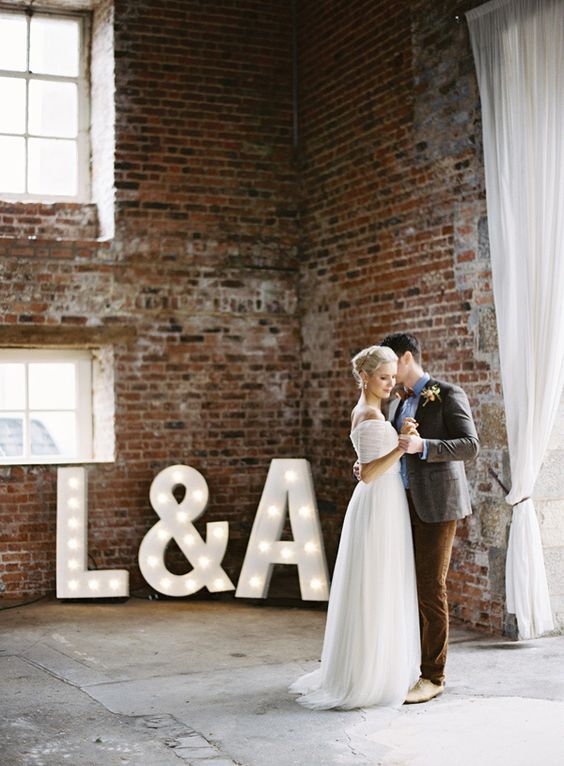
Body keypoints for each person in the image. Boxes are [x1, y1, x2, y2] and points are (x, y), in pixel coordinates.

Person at [289, 345, 421, 709]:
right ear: (364, 377)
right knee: (377, 585)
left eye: (394, 377)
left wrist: (393, 441)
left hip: (382, 502)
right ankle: (369, 676)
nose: (391, 384)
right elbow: (370, 474)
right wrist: (402, 446)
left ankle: (370, 668)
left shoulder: (368, 412)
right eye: (383, 378)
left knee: (377, 584)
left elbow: (364, 465)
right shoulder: (369, 415)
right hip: (379, 503)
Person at [380, 332, 480, 704]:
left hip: (438, 505)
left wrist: (425, 447)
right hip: (401, 502)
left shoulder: (446, 393)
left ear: (407, 358)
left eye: (391, 360)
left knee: (430, 586)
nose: (388, 370)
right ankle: (408, 664)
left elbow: (470, 445)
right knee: (406, 586)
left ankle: (433, 675)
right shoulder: (396, 405)